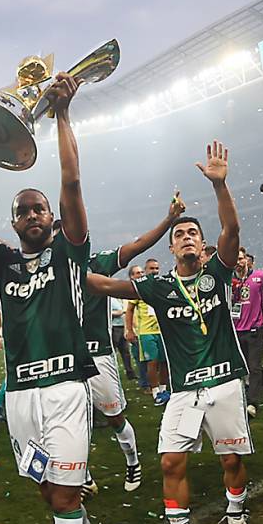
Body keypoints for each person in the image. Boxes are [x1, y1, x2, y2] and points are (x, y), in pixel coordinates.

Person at [0, 72, 111, 524]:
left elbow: (72, 181)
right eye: (24, 211)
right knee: (51, 494)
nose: (33, 215)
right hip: (20, 394)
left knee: (64, 498)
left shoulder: (71, 251)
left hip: (65, 389)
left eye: (40, 209)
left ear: (53, 218)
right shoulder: (3, 263)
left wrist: (62, 114)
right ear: (14, 223)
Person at [88, 141, 253, 524]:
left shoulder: (218, 269)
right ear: (172, 247)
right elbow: (108, 284)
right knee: (169, 461)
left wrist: (220, 187)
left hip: (224, 381)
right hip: (183, 390)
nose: (186, 239)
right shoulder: (159, 287)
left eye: (192, 233)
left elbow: (231, 230)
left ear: (202, 244)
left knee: (230, 461)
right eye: (179, 235)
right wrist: (68, 271)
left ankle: (236, 510)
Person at [83, 194, 187, 493]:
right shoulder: (49, 272)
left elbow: (140, 243)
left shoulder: (98, 263)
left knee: (115, 417)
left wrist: (169, 219)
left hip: (98, 355)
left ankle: (132, 460)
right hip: (65, 358)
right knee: (73, 422)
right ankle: (81, 476)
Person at [232, 247, 263, 417]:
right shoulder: (229, 280)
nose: (238, 263)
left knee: (253, 367)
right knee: (246, 366)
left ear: (246, 260)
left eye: (241, 259)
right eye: (235, 260)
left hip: (256, 328)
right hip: (237, 329)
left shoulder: (260, 276)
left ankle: (252, 404)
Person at [125, 258, 169, 405]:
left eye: (156, 268)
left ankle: (164, 390)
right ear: (146, 270)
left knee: (164, 362)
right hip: (146, 332)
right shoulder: (140, 287)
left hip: (163, 331)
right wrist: (130, 330)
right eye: (151, 268)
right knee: (152, 362)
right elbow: (129, 310)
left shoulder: (163, 284)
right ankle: (155, 392)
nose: (155, 271)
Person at [110, 297, 136, 380]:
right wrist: (119, 312)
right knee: (113, 351)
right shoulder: (110, 299)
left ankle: (130, 373)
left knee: (126, 351)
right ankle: (113, 372)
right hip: (114, 327)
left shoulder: (120, 300)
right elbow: (107, 312)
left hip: (123, 327)